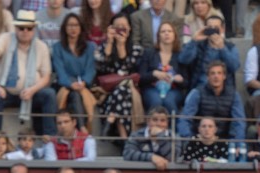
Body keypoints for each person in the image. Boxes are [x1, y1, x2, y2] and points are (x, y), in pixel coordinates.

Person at [0, 10, 58, 136]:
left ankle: (49, 139)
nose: (25, 31)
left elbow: (46, 76)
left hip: (31, 93)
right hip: (7, 92)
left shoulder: (41, 46)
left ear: (34, 29)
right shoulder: (6, 38)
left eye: (29, 28)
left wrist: (32, 90)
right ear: (15, 28)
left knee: (49, 94)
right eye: (21, 28)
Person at [96, 13, 144, 141]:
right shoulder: (104, 46)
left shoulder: (136, 49)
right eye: (117, 27)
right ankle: (125, 140)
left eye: (124, 27)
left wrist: (121, 46)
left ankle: (110, 122)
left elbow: (127, 71)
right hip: (107, 92)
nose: (120, 30)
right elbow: (101, 69)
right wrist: (110, 43)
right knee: (120, 95)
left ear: (129, 29)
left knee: (121, 92)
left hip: (129, 91)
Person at [177, 61, 245, 144]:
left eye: (219, 73)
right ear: (207, 77)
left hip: (225, 140)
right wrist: (189, 139)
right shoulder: (197, 93)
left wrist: (236, 142)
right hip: (200, 140)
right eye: (212, 73)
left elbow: (239, 121)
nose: (216, 76)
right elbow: (185, 118)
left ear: (224, 76)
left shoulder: (234, 95)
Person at [52, 12, 98, 133]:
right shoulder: (57, 47)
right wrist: (70, 83)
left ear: (81, 28)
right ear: (64, 28)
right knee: (75, 94)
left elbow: (90, 68)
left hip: (83, 84)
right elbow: (59, 70)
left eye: (76, 25)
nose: (73, 28)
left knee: (77, 94)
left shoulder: (89, 47)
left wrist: (84, 82)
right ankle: (82, 127)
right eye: (70, 25)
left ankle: (80, 127)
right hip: (65, 85)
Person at [138, 21, 189, 114]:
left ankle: (172, 128)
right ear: (158, 36)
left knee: (169, 101)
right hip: (151, 88)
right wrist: (154, 74)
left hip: (173, 89)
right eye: (163, 31)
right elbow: (141, 78)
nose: (166, 33)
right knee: (156, 101)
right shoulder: (149, 53)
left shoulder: (180, 55)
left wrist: (179, 80)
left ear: (174, 36)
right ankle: (153, 128)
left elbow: (186, 82)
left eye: (170, 31)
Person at [178, 14, 239, 90]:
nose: (213, 30)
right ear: (204, 28)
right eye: (210, 27)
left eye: (216, 28)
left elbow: (234, 67)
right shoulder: (198, 45)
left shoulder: (230, 47)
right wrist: (194, 40)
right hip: (200, 86)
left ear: (222, 29)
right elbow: (183, 60)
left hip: (224, 89)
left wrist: (222, 48)